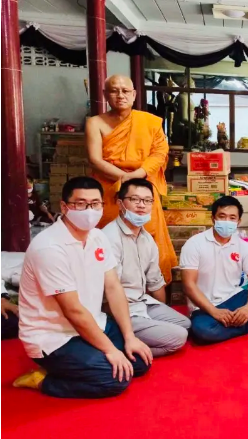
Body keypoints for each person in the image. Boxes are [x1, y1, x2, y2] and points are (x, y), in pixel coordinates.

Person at [14, 177, 152, 398]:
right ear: (64, 206)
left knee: (139, 362)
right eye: (80, 204)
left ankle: (82, 363)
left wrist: (129, 336)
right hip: (55, 336)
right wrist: (110, 350)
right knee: (116, 379)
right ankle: (43, 380)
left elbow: (113, 287)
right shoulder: (49, 247)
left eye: (95, 204)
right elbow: (73, 310)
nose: (89, 210)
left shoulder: (98, 237)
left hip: (94, 322)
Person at [87, 75, 177, 284]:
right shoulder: (95, 123)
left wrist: (138, 175)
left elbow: (160, 153)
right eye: (114, 90)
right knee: (108, 237)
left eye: (125, 91)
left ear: (134, 94)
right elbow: (95, 159)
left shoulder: (150, 122)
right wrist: (125, 178)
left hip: (143, 185)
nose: (120, 95)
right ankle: (108, 286)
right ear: (105, 95)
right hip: (111, 189)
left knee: (150, 235)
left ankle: (152, 286)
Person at [102, 178, 190, 357]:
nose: (142, 205)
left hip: (142, 302)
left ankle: (137, 337)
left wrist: (161, 312)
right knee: (178, 337)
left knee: (185, 324)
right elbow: (110, 291)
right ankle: (120, 346)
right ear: (120, 203)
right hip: (118, 310)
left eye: (147, 201)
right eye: (135, 199)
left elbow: (155, 281)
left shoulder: (146, 238)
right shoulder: (109, 237)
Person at [180, 196, 248, 344]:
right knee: (203, 331)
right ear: (213, 218)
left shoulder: (243, 246)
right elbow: (188, 285)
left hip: (235, 297)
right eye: (222, 216)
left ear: (238, 221)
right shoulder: (194, 244)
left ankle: (238, 320)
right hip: (204, 303)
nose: (227, 221)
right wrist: (214, 311)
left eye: (232, 218)